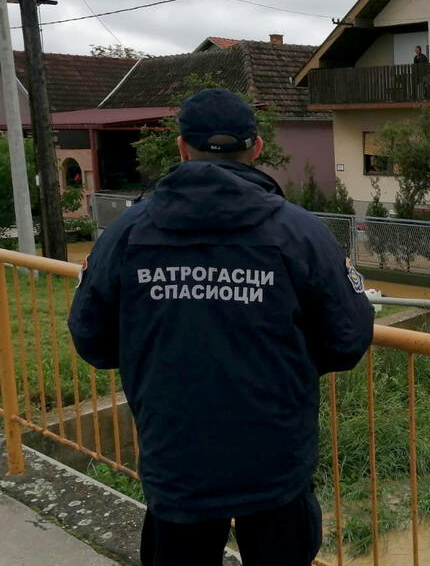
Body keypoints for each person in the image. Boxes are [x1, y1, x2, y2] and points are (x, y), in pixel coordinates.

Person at [68, 88, 375, 566]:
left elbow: (93, 340)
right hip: (274, 462)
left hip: (176, 462)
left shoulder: (126, 235)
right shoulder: (300, 233)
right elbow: (348, 340)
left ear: (180, 147)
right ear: (255, 147)